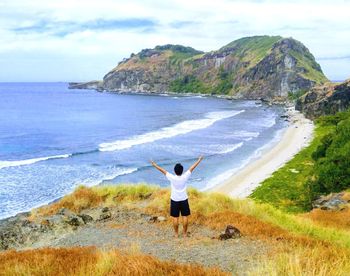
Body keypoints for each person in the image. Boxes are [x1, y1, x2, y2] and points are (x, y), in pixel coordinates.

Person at [150, 156, 203, 238]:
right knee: (185, 216)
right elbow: (192, 168)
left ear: (175, 171)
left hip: (175, 200)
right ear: (182, 171)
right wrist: (199, 160)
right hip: (184, 199)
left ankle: (176, 234)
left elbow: (162, 171)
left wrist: (154, 164)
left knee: (175, 217)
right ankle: (185, 234)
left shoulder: (172, 177)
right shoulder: (185, 176)